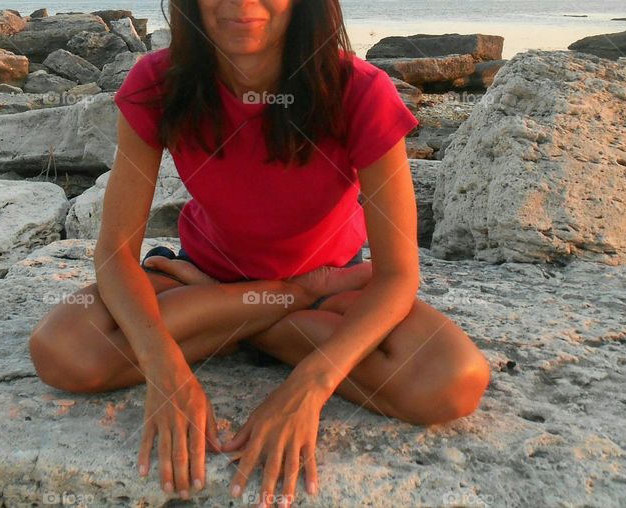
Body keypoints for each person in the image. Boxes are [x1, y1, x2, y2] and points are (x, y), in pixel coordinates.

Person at [28, 1, 491, 506]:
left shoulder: (361, 92)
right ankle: (271, 310)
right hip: (210, 276)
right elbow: (116, 254)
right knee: (64, 351)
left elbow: (399, 275)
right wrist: (165, 369)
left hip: (321, 287)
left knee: (452, 382)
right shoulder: (158, 82)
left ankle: (231, 328)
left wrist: (310, 386)